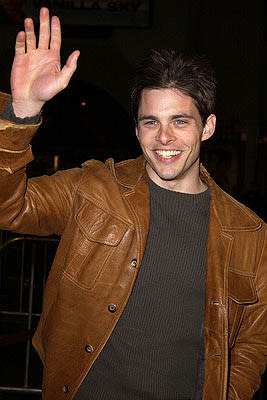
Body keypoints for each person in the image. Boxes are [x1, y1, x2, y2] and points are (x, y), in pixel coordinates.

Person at [0, 7, 266, 400]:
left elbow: (253, 342)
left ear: (207, 127)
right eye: (150, 122)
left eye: (180, 121)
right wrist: (21, 114)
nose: (164, 137)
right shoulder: (94, 188)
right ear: (137, 128)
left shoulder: (249, 233)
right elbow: (10, 206)